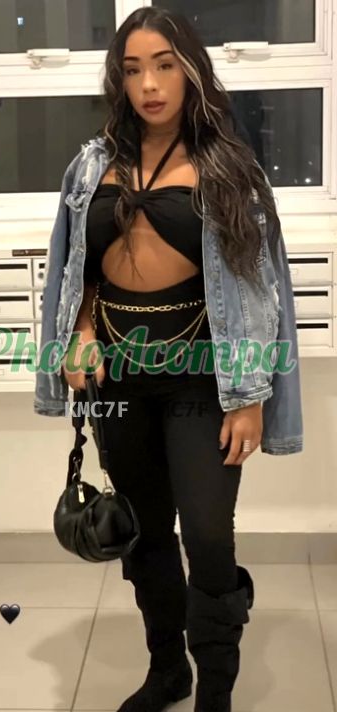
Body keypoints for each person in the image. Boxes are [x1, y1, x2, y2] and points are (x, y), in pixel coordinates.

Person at [35, 7, 304, 712]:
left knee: (208, 537)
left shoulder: (229, 167)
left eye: (163, 66)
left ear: (190, 72)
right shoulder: (91, 164)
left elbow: (258, 288)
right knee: (145, 531)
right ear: (119, 80)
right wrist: (80, 330)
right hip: (120, 376)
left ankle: (215, 686)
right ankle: (167, 671)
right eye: (133, 70)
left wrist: (250, 395)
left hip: (202, 378)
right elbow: (79, 267)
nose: (149, 85)